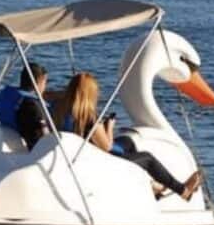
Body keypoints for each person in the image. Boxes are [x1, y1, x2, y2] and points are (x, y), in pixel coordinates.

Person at [52, 72, 202, 201]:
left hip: (76, 155)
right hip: (98, 162)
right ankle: (183, 191)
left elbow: (51, 94)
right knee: (147, 158)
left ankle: (152, 186)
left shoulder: (59, 109)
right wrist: (109, 127)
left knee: (127, 141)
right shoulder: (89, 117)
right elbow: (107, 147)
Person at [0, 62, 52, 150]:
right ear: (39, 82)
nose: (45, 87)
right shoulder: (32, 106)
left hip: (10, 137)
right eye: (45, 83)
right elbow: (42, 141)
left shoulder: (6, 95)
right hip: (32, 151)